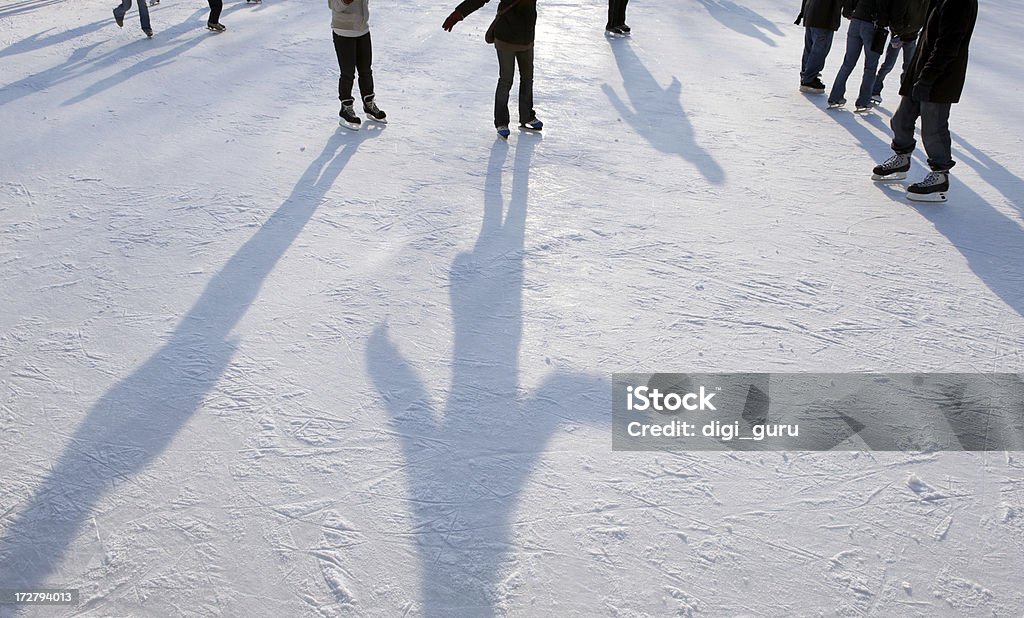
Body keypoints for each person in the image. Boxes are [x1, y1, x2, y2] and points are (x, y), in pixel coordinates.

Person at [871, 0, 978, 202]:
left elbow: (949, 44)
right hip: (921, 71)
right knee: (901, 119)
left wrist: (928, 77)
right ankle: (902, 158)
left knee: (933, 127)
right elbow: (926, 38)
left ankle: (940, 175)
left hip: (941, 76)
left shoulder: (960, 3)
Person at [443, 0, 543, 138]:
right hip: (506, 37)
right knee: (506, 79)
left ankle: (527, 116)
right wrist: (459, 13)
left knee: (527, 78)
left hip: (526, 38)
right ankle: (501, 122)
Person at [329, 0, 386, 130]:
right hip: (343, 31)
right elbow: (334, 5)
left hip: (363, 29)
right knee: (347, 73)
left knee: (366, 70)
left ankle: (369, 104)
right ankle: (346, 108)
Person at [827, 0, 890, 111]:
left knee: (848, 63)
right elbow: (884, 7)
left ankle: (835, 97)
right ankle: (863, 101)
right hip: (871, 24)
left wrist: (850, 12)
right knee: (870, 66)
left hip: (856, 21)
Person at [869, 0, 928, 104]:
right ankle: (875, 91)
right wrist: (897, 34)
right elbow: (896, 14)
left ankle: (905, 94)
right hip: (899, 35)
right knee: (888, 64)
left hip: (912, 36)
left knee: (909, 68)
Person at [795, 0, 847, 93]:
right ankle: (809, 79)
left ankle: (806, 76)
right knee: (819, 51)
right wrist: (849, 11)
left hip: (810, 13)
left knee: (810, 49)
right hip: (825, 18)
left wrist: (803, 12)